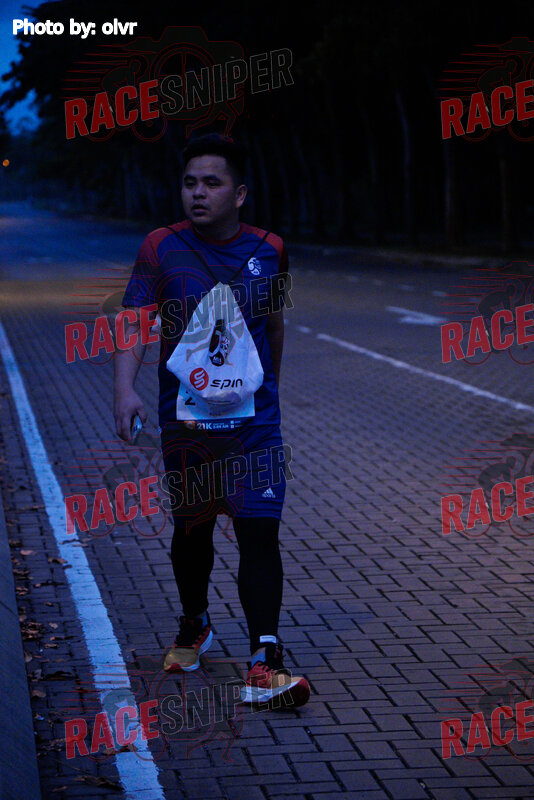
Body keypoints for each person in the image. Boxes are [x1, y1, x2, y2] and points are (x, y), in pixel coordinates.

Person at [113, 133, 310, 708]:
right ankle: (195, 622)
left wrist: (269, 390)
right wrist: (124, 389)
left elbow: (274, 324)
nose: (198, 193)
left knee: (259, 532)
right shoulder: (160, 247)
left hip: (254, 427)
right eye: (190, 183)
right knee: (191, 532)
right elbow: (135, 320)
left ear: (239, 193)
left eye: (212, 183)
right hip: (187, 426)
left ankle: (264, 659)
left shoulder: (271, 249)